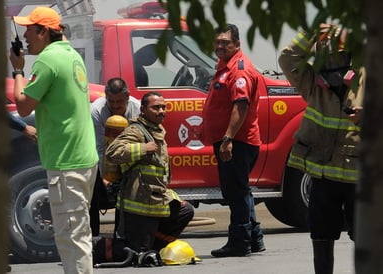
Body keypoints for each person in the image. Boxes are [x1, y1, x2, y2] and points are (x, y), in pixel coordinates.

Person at [9, 7, 99, 274]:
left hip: (66, 162)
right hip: (81, 157)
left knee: (71, 236)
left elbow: (23, 106)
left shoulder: (48, 60)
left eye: (29, 28)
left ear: (43, 32)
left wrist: (17, 70)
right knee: (76, 232)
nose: (24, 35)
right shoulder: (71, 55)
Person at [278, 24, 364, 274]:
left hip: (359, 178)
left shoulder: (369, 76)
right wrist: (312, 32)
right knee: (322, 234)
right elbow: (287, 58)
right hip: (323, 176)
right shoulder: (314, 84)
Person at [100, 91, 194, 262]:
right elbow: (112, 152)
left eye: (163, 107)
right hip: (139, 206)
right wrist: (142, 149)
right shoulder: (137, 131)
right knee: (136, 253)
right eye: (156, 107)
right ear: (142, 110)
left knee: (186, 211)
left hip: (156, 200)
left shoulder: (157, 131)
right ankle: (105, 250)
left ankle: (152, 247)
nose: (161, 111)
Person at [202, 23, 265, 257]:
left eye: (225, 42)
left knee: (235, 193)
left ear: (237, 44)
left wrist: (228, 138)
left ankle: (239, 242)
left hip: (237, 142)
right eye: (217, 41)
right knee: (241, 190)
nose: (220, 46)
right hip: (232, 140)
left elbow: (241, 105)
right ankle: (254, 238)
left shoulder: (239, 70)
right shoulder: (225, 66)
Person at [89, 77, 140, 236]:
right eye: (111, 102)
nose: (116, 106)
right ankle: (93, 240)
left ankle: (122, 237)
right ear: (106, 98)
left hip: (128, 154)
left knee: (126, 194)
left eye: (120, 102)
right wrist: (105, 175)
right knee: (93, 194)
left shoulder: (137, 108)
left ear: (128, 97)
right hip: (104, 156)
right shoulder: (96, 110)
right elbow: (99, 147)